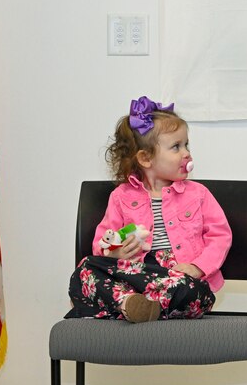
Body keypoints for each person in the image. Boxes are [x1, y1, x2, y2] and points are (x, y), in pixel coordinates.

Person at [66, 96, 231, 322]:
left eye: (186, 144)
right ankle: (130, 304)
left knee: (191, 292)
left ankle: (127, 307)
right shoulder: (121, 197)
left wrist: (197, 268)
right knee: (85, 269)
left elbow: (220, 236)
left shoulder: (198, 194)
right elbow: (103, 241)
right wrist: (113, 253)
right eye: (176, 147)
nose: (186, 153)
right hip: (136, 278)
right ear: (145, 158)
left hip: (179, 278)